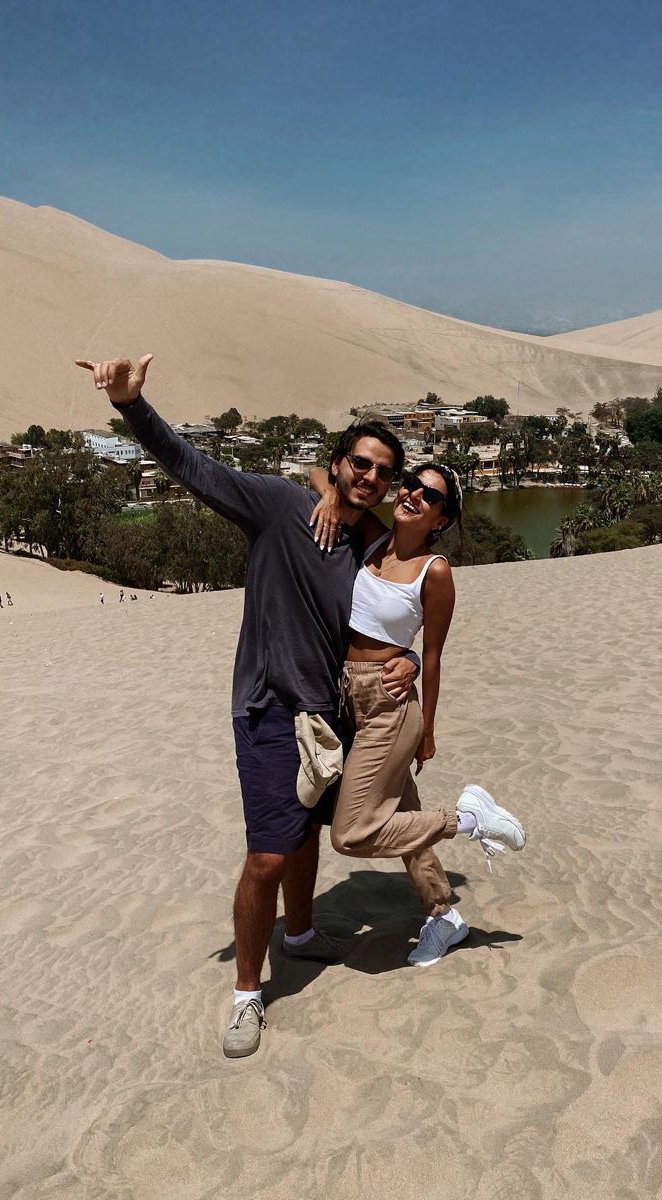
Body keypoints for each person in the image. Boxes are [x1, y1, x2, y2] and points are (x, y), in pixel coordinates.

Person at [76, 353, 419, 1060]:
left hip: (335, 716)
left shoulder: (373, 548)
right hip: (269, 709)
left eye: (383, 472)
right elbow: (193, 468)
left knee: (307, 832)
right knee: (266, 855)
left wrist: (411, 659)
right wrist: (131, 405)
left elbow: (402, 614)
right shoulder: (279, 505)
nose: (369, 476)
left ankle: (301, 932)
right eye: (359, 463)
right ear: (339, 463)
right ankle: (245, 994)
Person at [310, 464, 525, 966]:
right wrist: (328, 495)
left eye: (429, 496)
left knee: (351, 833)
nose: (412, 494)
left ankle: (468, 819)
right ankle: (443, 915)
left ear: (440, 519)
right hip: (349, 699)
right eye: (410, 483)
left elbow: (431, 655)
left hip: (390, 705)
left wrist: (427, 729)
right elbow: (321, 471)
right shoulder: (372, 537)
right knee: (403, 819)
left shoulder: (436, 571)